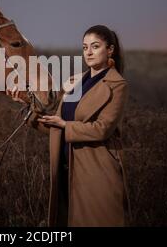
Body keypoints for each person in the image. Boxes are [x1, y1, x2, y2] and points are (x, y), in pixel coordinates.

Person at [7, 25, 130, 227]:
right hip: (66, 172)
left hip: (96, 174)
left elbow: (102, 128)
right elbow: (56, 128)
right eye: (84, 47)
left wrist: (65, 125)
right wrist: (27, 105)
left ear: (110, 50)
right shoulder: (76, 81)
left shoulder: (117, 84)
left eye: (95, 46)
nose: (88, 52)